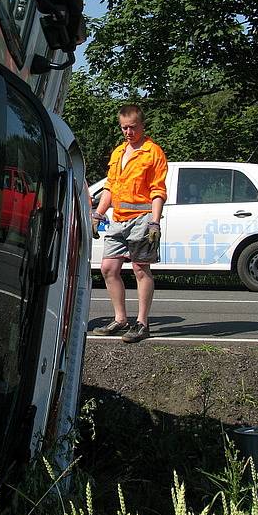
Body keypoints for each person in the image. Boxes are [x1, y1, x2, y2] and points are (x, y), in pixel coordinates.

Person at [92, 104, 168, 343]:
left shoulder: (153, 152)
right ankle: (120, 319)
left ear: (142, 125)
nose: (128, 132)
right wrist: (98, 214)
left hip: (143, 219)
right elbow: (110, 188)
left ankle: (142, 323)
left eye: (132, 127)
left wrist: (154, 222)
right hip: (118, 220)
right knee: (108, 268)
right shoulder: (118, 153)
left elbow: (158, 190)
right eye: (124, 128)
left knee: (140, 269)